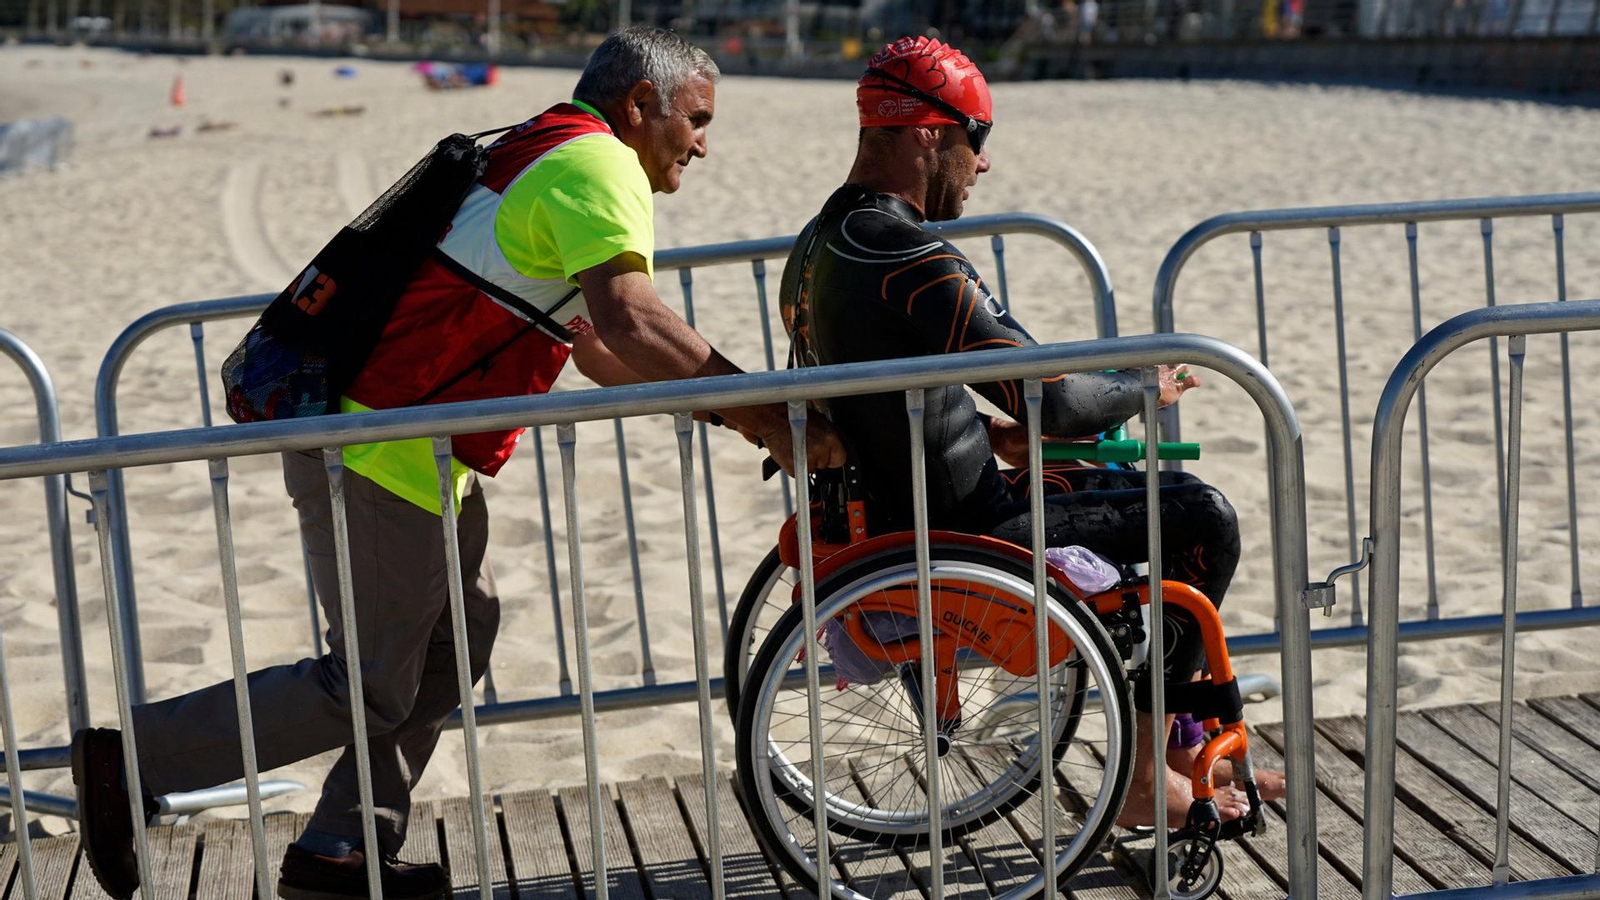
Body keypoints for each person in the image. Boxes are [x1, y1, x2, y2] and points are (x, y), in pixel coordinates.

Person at [73, 26, 844, 900]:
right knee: (363, 686)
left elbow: (596, 350)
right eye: (698, 119)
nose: (705, 141)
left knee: (458, 639)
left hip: (416, 447)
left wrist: (744, 420)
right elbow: (631, 321)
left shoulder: (542, 145)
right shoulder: (599, 168)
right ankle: (135, 755)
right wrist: (773, 420)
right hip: (379, 446)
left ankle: (342, 849)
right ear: (638, 107)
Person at [776, 34, 1285, 829]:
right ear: (929, 132)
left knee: (1153, 499)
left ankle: (1185, 750)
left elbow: (876, 398)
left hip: (883, 509)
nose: (983, 165)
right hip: (961, 526)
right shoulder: (904, 255)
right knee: (1203, 518)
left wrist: (980, 429)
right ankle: (1152, 776)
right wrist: (1142, 384)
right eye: (978, 140)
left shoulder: (818, 244)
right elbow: (1060, 399)